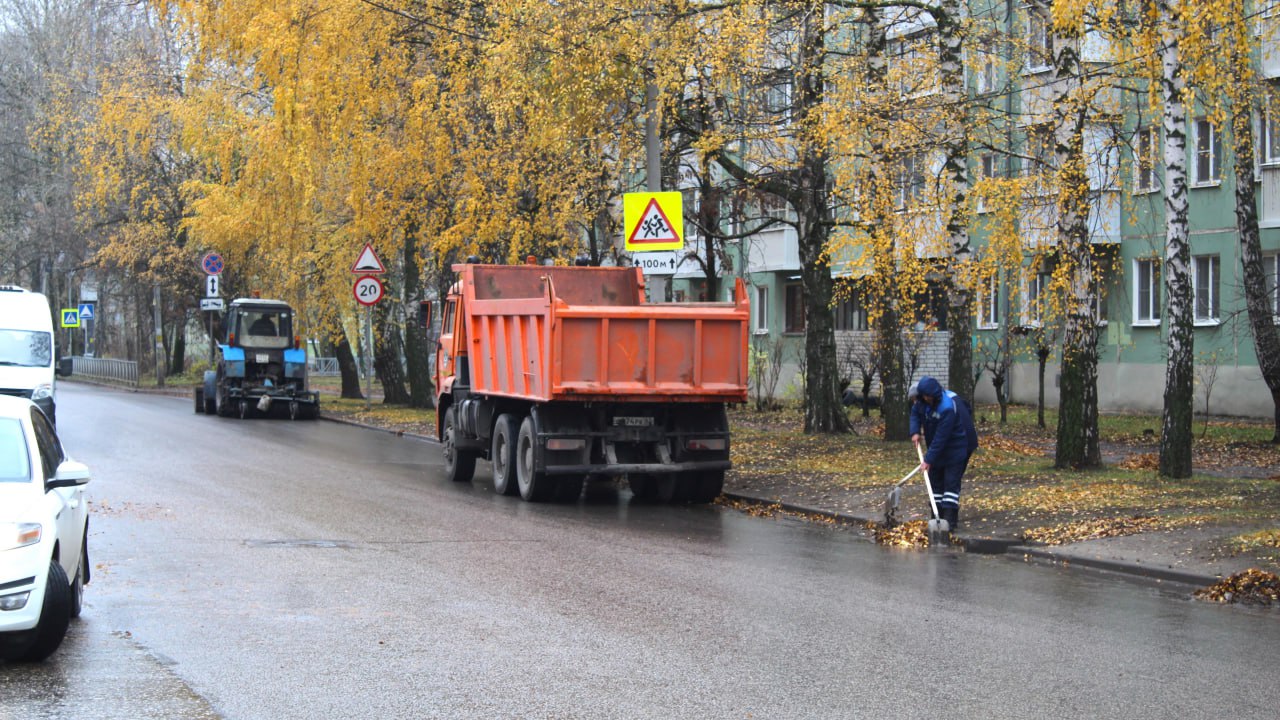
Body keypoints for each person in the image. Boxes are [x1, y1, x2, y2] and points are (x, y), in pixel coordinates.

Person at [909, 376, 978, 531]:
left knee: (951, 486)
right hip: (937, 450)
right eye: (924, 396)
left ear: (933, 395)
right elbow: (915, 414)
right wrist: (915, 431)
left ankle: (949, 521)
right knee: (936, 485)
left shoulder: (946, 407)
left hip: (954, 450)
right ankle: (936, 516)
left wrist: (927, 460)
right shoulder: (921, 401)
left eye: (928, 396)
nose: (925, 398)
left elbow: (941, 438)